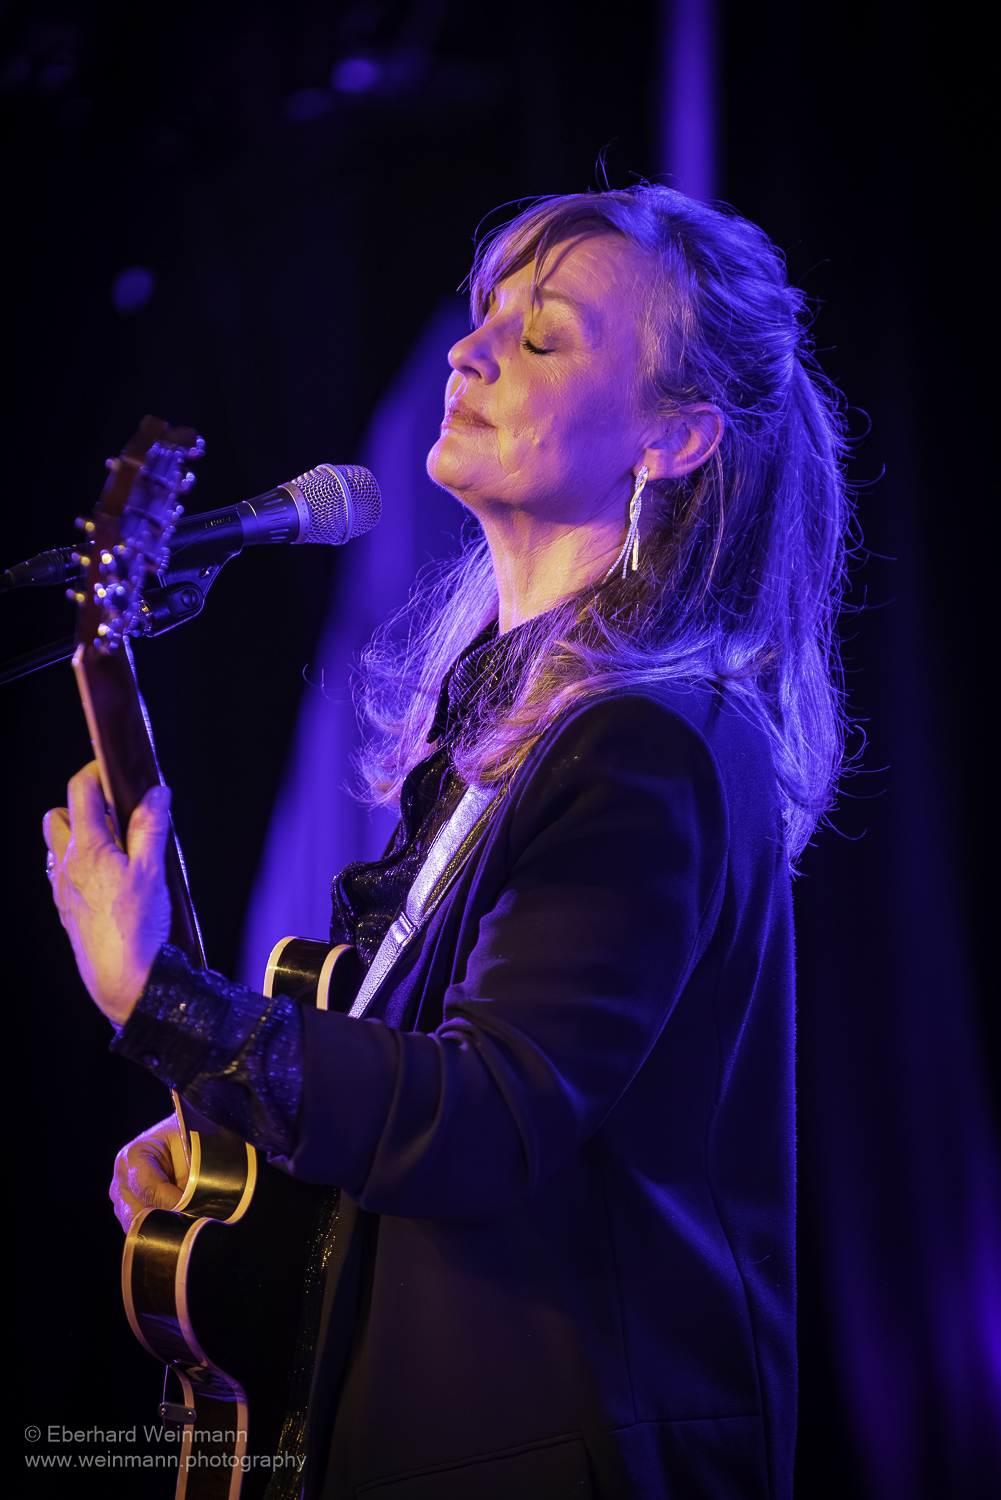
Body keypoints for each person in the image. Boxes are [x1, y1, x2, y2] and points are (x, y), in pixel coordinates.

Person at [43, 185, 848, 1499]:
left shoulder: (648, 744)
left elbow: (487, 1121)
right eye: (483, 318)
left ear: (674, 437)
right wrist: (244, 1136)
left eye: (541, 337)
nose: (469, 353)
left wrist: (165, 1002)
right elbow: (425, 1119)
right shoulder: (519, 727)